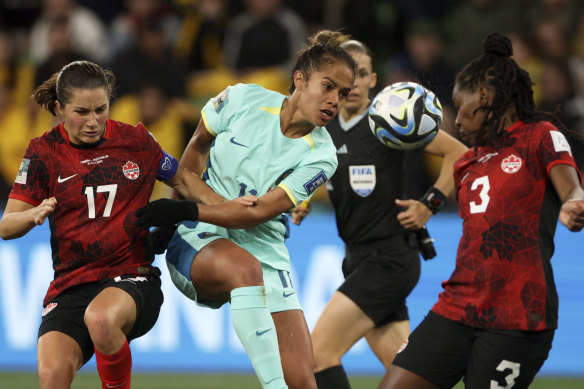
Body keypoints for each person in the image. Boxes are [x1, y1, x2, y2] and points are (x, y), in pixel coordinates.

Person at [0, 60, 254, 389]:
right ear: (60, 108)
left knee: (101, 318)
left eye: (100, 110)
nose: (93, 122)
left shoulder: (135, 141)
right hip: (71, 285)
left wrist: (231, 209)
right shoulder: (42, 153)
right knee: (51, 376)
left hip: (133, 278)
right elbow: (7, 226)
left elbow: (187, 183)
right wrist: (31, 216)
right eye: (81, 112)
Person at [133, 30, 357, 389]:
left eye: (343, 94)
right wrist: (175, 219)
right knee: (244, 269)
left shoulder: (322, 155)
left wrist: (181, 212)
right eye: (328, 86)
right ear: (300, 79)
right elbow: (197, 147)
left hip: (262, 248)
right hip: (201, 235)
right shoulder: (242, 98)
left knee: (304, 381)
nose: (334, 101)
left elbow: (256, 213)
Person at [381, 33, 584, 389]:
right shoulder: (467, 163)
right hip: (457, 305)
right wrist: (427, 204)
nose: (456, 119)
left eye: (460, 106)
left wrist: (573, 204)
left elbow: (571, 187)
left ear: (485, 97)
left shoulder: (540, 136)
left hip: (518, 315)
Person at [290, 40, 468, 389]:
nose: (352, 84)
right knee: (404, 373)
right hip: (356, 257)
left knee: (317, 355)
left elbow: (459, 154)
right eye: (344, 77)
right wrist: (304, 197)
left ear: (373, 80)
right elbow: (321, 174)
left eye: (360, 75)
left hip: (389, 258)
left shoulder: (388, 121)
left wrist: (429, 203)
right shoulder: (327, 127)